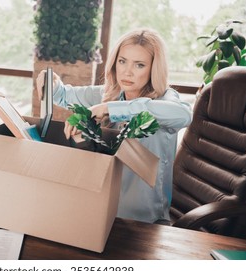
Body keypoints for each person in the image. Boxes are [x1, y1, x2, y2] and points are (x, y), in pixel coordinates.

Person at [36, 28, 192, 224]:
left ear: (153, 68)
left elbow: (184, 115)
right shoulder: (110, 93)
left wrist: (110, 108)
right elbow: (64, 95)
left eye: (139, 65)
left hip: (143, 220)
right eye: (122, 61)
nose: (127, 72)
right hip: (103, 207)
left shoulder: (166, 99)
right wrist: (49, 81)